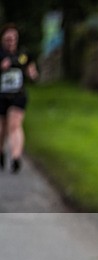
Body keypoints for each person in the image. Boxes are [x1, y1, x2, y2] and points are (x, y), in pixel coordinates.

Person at [0, 23, 38, 174]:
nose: (10, 42)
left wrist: (32, 73)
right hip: (1, 96)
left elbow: (31, 69)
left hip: (18, 95)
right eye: (8, 39)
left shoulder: (22, 55)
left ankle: (16, 157)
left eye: (13, 38)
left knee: (15, 125)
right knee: (2, 128)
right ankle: (1, 151)